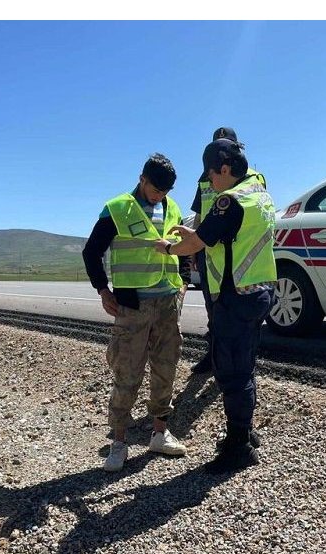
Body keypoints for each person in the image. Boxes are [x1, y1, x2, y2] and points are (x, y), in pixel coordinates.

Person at [155, 139, 276, 473]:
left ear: (225, 168)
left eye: (211, 173)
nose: (208, 180)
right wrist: (194, 233)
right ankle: (246, 434)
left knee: (231, 375)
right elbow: (218, 235)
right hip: (259, 291)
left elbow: (195, 243)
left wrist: (166, 248)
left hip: (234, 297)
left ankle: (238, 448)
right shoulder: (259, 193)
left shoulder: (229, 202)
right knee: (246, 366)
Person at [82, 153, 189, 472]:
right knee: (127, 371)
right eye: (157, 190)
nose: (161, 196)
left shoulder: (172, 207)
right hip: (132, 304)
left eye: (166, 191)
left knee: (166, 367)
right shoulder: (117, 208)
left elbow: (180, 245)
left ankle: (159, 433)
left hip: (168, 301)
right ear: (142, 179)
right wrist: (102, 289)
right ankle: (118, 442)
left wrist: (182, 279)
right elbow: (92, 251)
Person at [187, 127, 267, 375]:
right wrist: (194, 251)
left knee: (242, 314)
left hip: (239, 251)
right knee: (214, 311)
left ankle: (243, 364)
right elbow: (200, 215)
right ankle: (214, 358)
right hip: (207, 248)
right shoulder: (205, 177)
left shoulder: (254, 177)